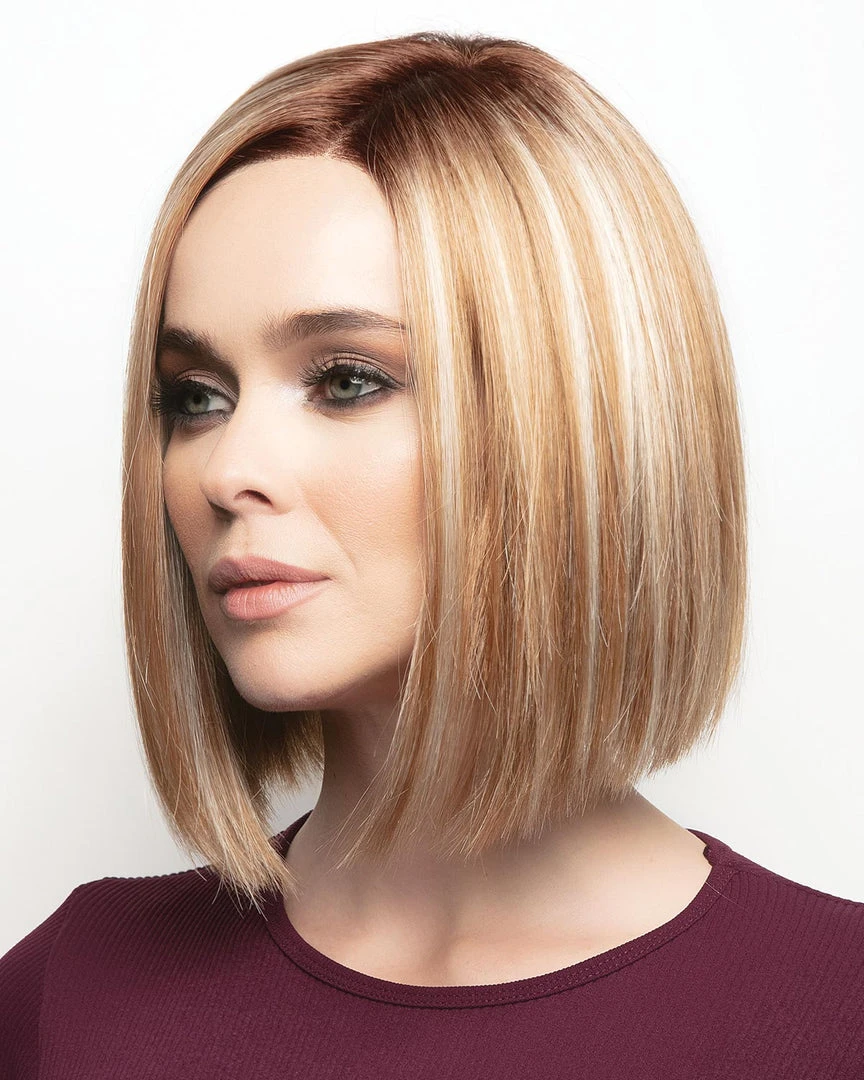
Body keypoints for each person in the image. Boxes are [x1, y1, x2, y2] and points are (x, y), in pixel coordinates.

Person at [2, 29, 861, 1078]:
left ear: (572, 425)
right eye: (196, 396)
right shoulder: (74, 1003)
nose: (226, 470)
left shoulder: (835, 1017)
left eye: (347, 380)